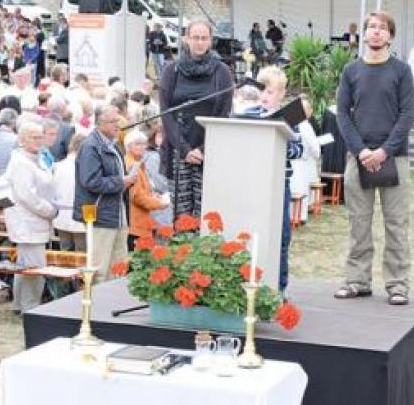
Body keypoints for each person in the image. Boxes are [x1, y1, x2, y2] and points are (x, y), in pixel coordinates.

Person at [334, 11, 414, 306]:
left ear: (390, 36)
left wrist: (384, 151)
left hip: (395, 157)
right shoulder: (351, 71)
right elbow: (342, 113)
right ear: (364, 34)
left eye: (382, 28)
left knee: (396, 224)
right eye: (372, 27)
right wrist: (361, 151)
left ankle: (397, 285)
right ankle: (357, 280)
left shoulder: (401, 71)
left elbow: (407, 115)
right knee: (359, 224)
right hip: (359, 158)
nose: (377, 32)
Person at [160, 19, 233, 218]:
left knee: (206, 216)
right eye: (195, 38)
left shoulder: (222, 72)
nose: (199, 42)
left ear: (210, 41)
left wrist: (202, 150)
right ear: (186, 39)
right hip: (178, 150)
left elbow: (224, 114)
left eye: (204, 38)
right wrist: (184, 149)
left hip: (210, 150)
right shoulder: (171, 71)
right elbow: (166, 113)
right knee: (181, 217)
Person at [245, 66, 305, 292]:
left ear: (281, 94)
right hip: (253, 182)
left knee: (281, 237)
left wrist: (279, 141)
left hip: (279, 184)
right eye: (261, 91)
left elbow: (298, 151)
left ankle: (279, 288)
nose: (264, 97)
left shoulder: (291, 118)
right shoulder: (247, 114)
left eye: (270, 92)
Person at [73, 104, 137, 283]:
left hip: (117, 214)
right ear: (100, 123)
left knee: (118, 267)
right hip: (100, 215)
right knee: (99, 269)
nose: (118, 125)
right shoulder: (91, 147)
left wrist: (126, 182)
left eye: (119, 121)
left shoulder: (113, 145)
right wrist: (121, 182)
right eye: (113, 122)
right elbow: (90, 181)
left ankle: (110, 306)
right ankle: (95, 307)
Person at [4, 120, 58, 313]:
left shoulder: (38, 158)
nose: (38, 140)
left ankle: (22, 305)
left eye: (40, 136)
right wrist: (50, 210)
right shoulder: (20, 162)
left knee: (26, 265)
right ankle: (30, 306)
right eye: (33, 137)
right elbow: (27, 196)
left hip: (36, 219)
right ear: (22, 139)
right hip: (28, 220)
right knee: (34, 267)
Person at [125, 130, 170, 246]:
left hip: (138, 221)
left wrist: (153, 196)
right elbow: (138, 197)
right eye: (138, 144)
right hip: (135, 223)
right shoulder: (132, 165)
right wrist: (159, 204)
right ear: (128, 146)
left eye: (144, 144)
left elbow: (142, 191)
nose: (142, 147)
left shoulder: (138, 164)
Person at [52, 133, 87, 252]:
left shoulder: (57, 166)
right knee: (81, 253)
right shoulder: (84, 166)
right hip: (79, 216)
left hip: (61, 216)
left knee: (65, 252)